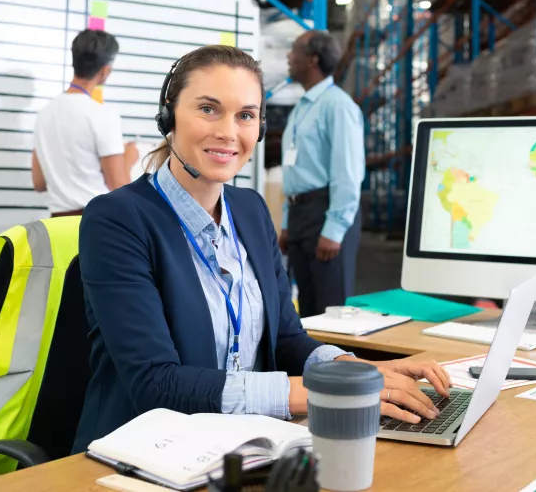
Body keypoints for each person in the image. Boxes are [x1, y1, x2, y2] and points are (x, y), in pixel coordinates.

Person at [73, 45, 450, 452]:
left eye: (246, 115)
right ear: (169, 116)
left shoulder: (249, 210)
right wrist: (325, 391)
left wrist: (353, 370)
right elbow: (156, 384)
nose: (228, 132)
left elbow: (286, 339)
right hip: (144, 455)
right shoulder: (117, 219)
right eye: (208, 109)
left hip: (246, 445)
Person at [279, 30, 365, 318]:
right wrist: (288, 221)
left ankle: (336, 364)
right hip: (302, 214)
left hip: (327, 212)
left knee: (332, 312)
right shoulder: (303, 108)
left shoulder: (338, 106)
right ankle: (312, 365)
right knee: (307, 310)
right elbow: (296, 170)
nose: (289, 57)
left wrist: (335, 229)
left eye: (295, 50)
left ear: (313, 59)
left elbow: (348, 171)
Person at [32, 29, 139, 217]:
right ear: (105, 71)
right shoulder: (103, 115)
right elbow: (119, 188)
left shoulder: (43, 114)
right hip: (95, 223)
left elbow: (39, 183)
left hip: (56, 226)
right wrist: (128, 158)